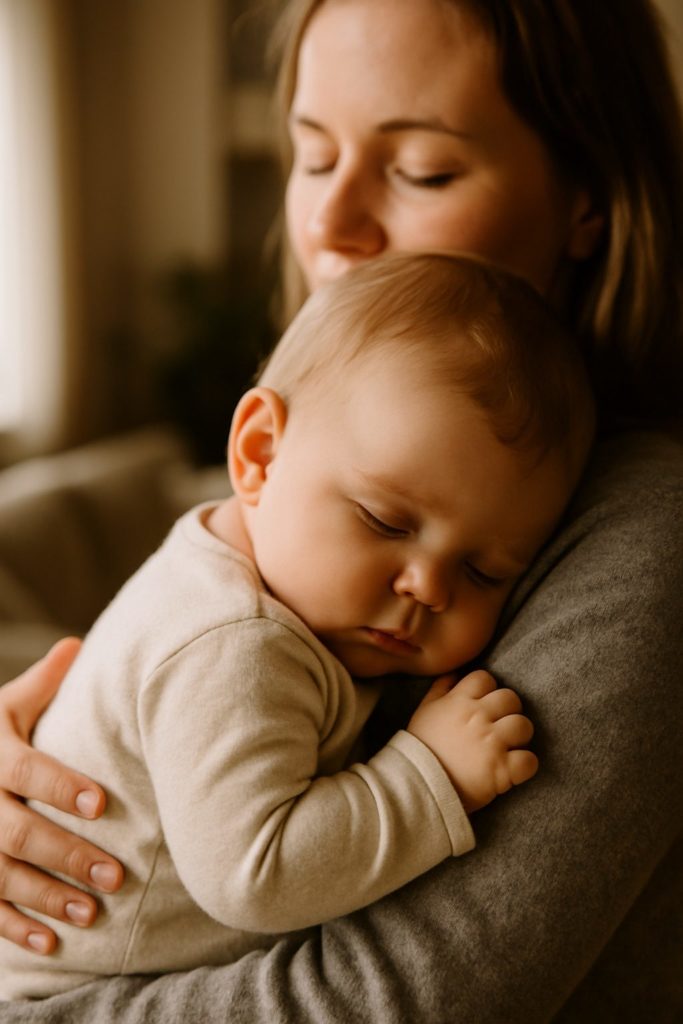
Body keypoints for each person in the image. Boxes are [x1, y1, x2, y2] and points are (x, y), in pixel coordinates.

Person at [0, 0, 681, 1019]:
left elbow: (387, 999)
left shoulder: (643, 528)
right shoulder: (276, 547)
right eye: (312, 157)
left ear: (587, 197)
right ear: (258, 450)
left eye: (420, 171)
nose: (327, 223)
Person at [0, 251, 596, 999]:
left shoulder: (262, 580)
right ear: (259, 454)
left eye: (483, 573)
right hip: (64, 996)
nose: (427, 587)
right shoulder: (236, 642)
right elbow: (255, 875)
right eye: (385, 520)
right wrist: (429, 777)